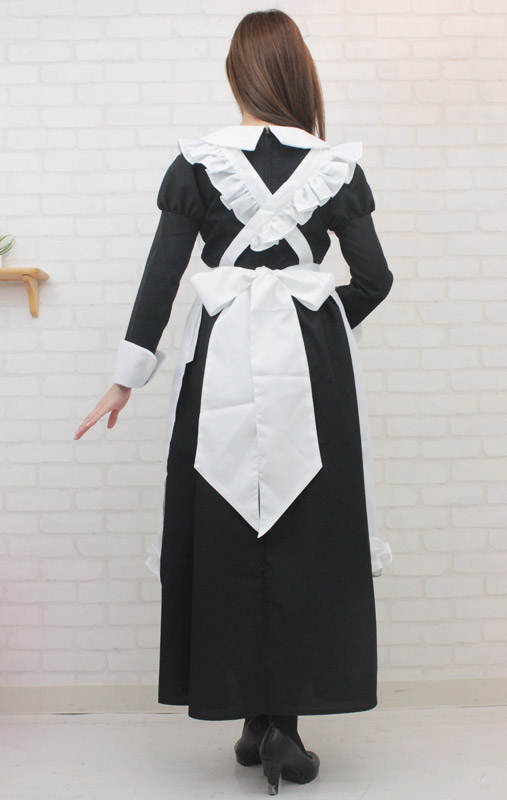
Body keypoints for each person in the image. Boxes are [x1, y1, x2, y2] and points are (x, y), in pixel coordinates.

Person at [74, 9, 394, 795]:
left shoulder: (197, 163)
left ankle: (251, 719)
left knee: (224, 524)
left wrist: (125, 378)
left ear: (236, 75)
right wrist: (316, 322)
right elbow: (374, 279)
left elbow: (162, 278)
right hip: (311, 368)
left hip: (219, 356)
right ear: (298, 74)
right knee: (305, 530)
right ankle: (284, 724)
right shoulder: (334, 167)